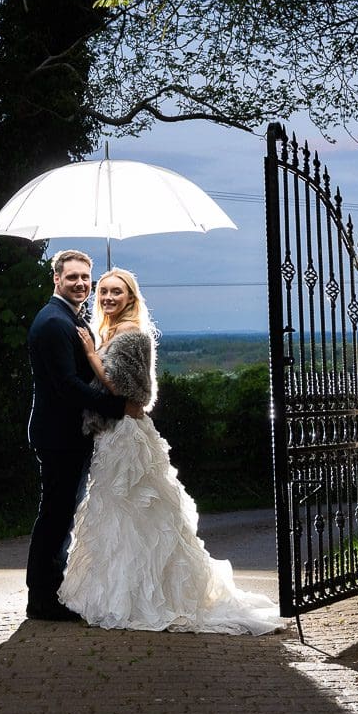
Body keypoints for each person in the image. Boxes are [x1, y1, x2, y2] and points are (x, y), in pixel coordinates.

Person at [59, 268, 286, 635]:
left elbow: (122, 387)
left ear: (131, 298)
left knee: (137, 512)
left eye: (116, 292)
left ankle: (145, 598)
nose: (107, 298)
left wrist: (89, 353)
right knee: (116, 516)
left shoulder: (132, 334)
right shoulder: (111, 331)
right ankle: (115, 593)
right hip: (111, 435)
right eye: (103, 292)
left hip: (127, 437)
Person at [24, 250, 135, 622]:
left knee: (58, 514)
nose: (80, 284)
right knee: (55, 516)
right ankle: (42, 599)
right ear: (56, 279)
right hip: (59, 434)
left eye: (85, 278)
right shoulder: (54, 322)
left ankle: (46, 594)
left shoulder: (69, 318)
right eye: (72, 277)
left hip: (65, 433)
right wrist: (118, 407)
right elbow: (68, 387)